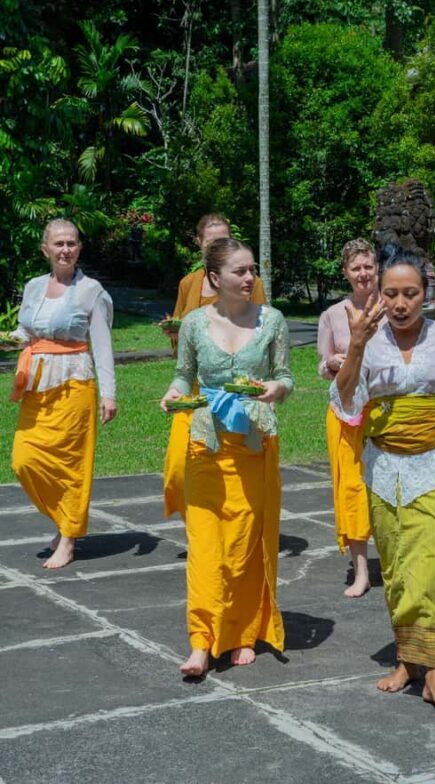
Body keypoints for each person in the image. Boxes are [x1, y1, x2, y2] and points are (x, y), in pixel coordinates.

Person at [333, 249, 435, 708]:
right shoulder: (369, 340)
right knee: (400, 570)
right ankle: (407, 659)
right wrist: (358, 346)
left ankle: (434, 672)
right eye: (391, 294)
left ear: (426, 293)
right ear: (379, 295)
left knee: (431, 566)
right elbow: (346, 401)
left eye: (411, 293)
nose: (401, 303)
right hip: (384, 469)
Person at [160, 237, 293, 677]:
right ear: (215, 278)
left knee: (241, 546)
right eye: (240, 271)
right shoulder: (195, 323)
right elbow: (183, 375)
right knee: (204, 545)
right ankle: (200, 641)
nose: (249, 277)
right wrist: (174, 393)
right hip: (205, 446)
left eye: (252, 269)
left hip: (253, 446)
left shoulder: (271, 320)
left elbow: (284, 377)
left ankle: (239, 631)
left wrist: (276, 390)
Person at [5, 218, 117, 569]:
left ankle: (68, 538)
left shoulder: (91, 291)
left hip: (74, 385)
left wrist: (108, 393)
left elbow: (102, 345)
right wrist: (13, 339)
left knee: (70, 466)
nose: (66, 249)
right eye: (59, 244)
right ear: (45, 249)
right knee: (24, 460)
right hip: (36, 385)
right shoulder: (34, 285)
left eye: (72, 243)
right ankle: (62, 520)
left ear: (79, 248)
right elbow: (29, 329)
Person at [163, 213, 267, 518]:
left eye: (225, 240)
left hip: (236, 391)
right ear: (199, 244)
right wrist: (175, 332)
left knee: (229, 469)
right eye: (212, 242)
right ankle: (198, 519)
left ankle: (218, 528)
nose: (219, 247)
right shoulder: (189, 284)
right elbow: (182, 342)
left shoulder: (251, 282)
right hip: (197, 391)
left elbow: (262, 331)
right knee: (178, 468)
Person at [317, 239, 378, 597]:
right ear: (345, 273)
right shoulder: (332, 315)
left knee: (389, 487)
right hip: (345, 411)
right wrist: (334, 363)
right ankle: (361, 571)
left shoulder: (392, 306)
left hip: (385, 410)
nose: (363, 274)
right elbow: (322, 366)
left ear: (377, 267)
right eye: (355, 268)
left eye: (368, 266)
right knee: (352, 489)